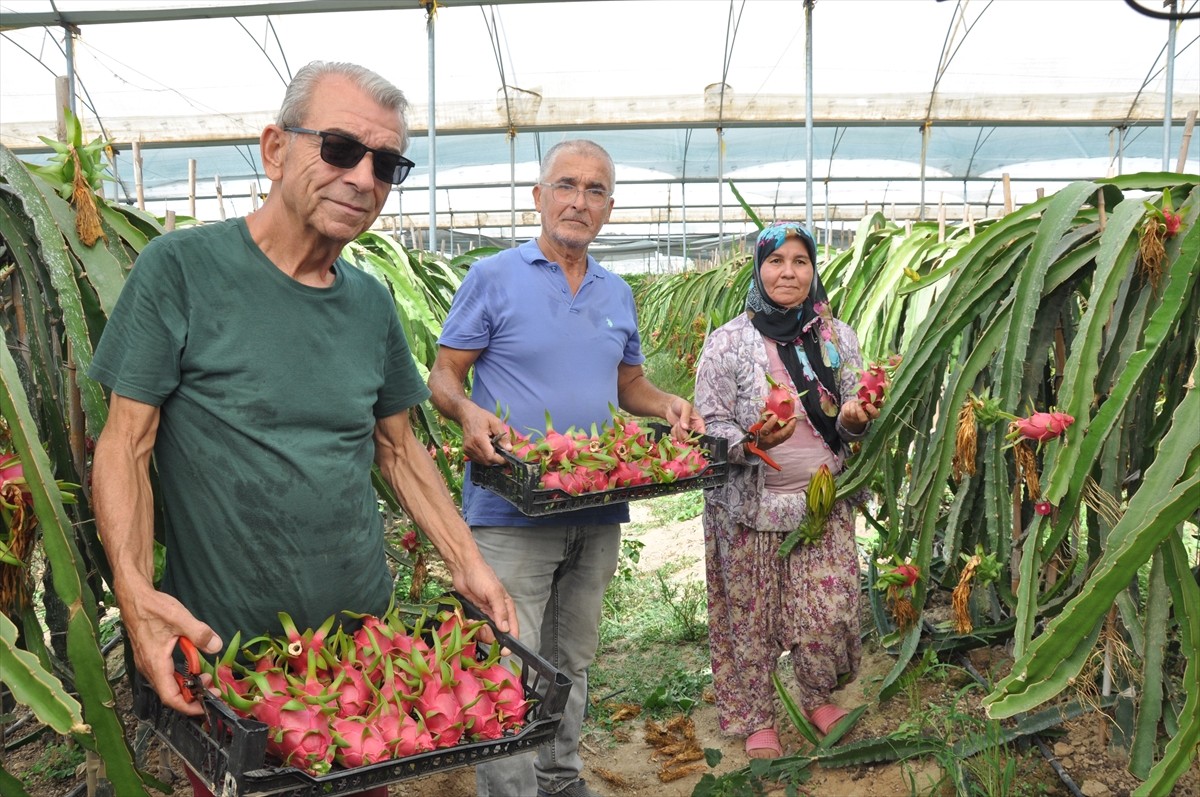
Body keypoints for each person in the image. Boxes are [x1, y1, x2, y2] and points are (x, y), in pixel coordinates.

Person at [88, 61, 515, 797]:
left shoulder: (371, 304)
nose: (363, 177)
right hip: (231, 657)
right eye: (342, 147)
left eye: (387, 163)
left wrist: (466, 560)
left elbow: (399, 448)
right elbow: (125, 443)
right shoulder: (181, 271)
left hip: (361, 657)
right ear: (276, 149)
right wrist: (132, 590)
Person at [428, 139, 704, 797]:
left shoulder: (617, 290)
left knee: (572, 657)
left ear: (609, 207)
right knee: (510, 659)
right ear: (539, 196)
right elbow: (443, 375)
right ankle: (511, 790)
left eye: (596, 190)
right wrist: (465, 412)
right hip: (511, 506)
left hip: (598, 503)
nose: (579, 201)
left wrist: (665, 404)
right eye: (567, 185)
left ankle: (559, 776)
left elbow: (630, 382)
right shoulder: (493, 276)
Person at [693, 221, 877, 759]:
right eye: (776, 261)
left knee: (829, 610)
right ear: (759, 268)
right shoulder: (727, 343)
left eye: (800, 261)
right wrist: (751, 441)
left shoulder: (838, 338)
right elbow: (709, 425)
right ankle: (756, 718)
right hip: (750, 509)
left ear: (814, 270)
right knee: (751, 617)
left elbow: (853, 415)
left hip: (824, 502)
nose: (788, 272)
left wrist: (854, 417)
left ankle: (818, 697)